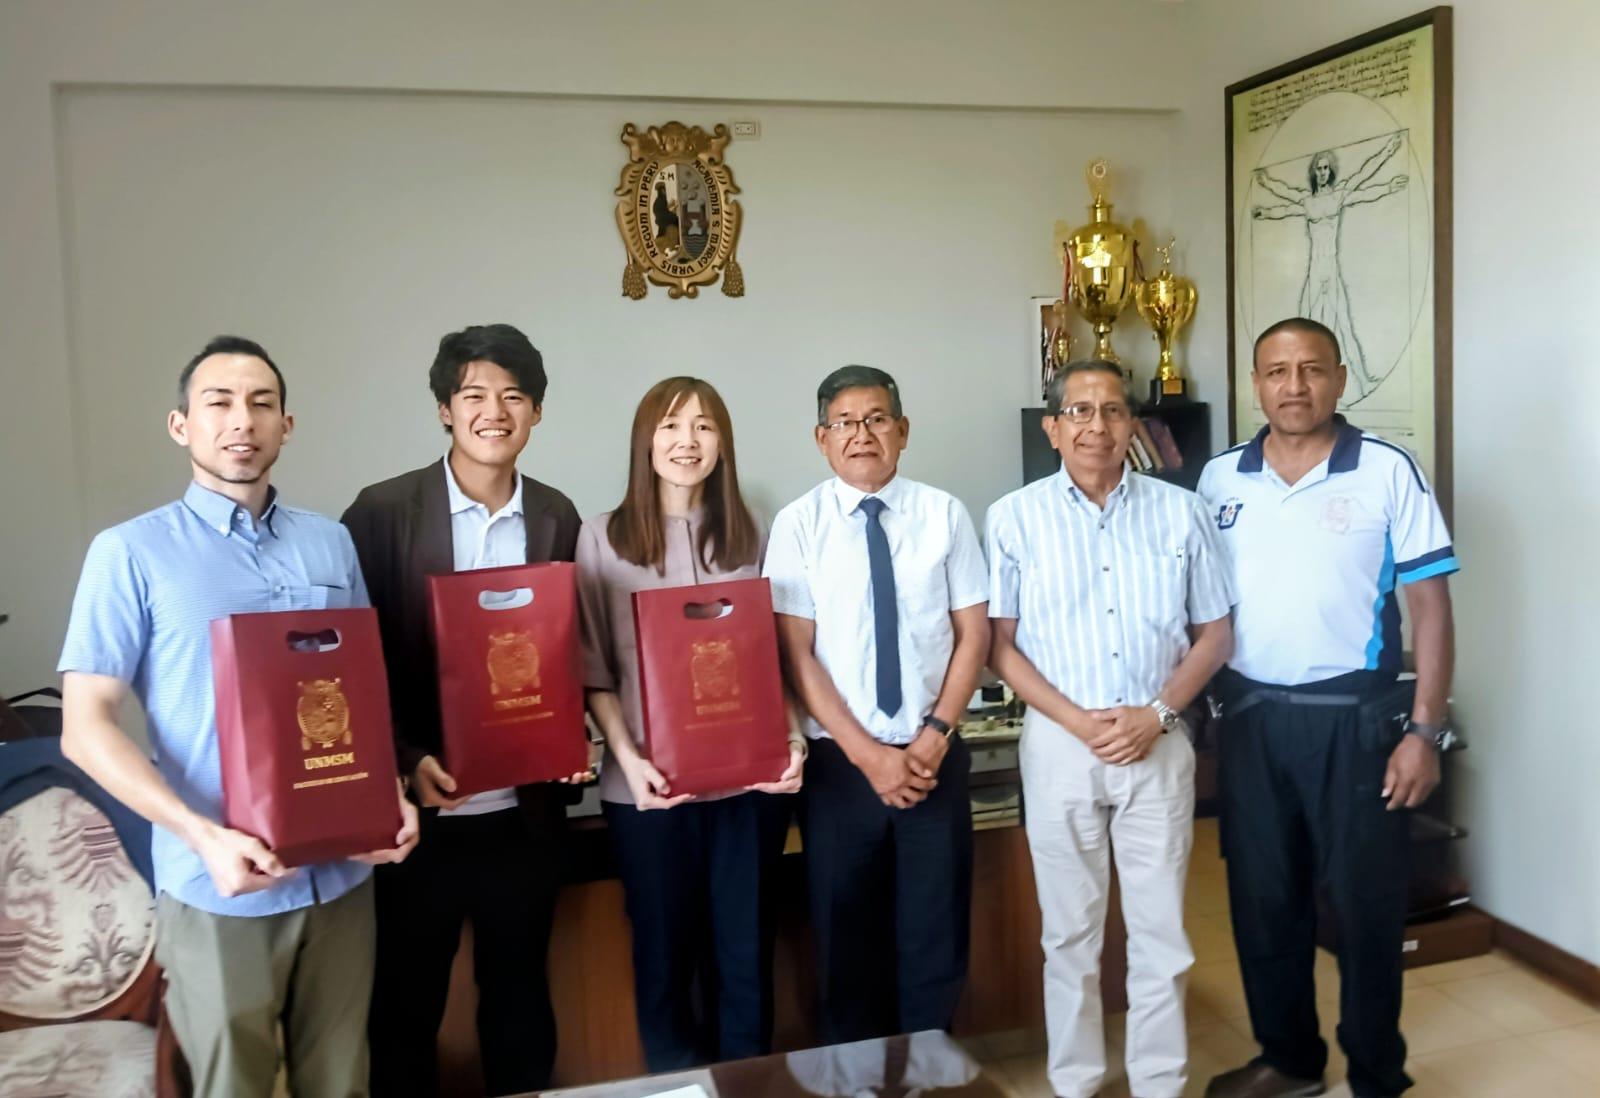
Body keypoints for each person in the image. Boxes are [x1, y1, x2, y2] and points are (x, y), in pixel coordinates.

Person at [58, 336, 418, 1097]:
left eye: (260, 403)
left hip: (343, 882)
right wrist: (203, 836)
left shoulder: (330, 542)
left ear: (288, 424)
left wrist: (390, 793)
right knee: (234, 1088)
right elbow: (84, 726)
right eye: (217, 402)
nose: (241, 421)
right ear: (181, 425)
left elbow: (355, 690)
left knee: (343, 1082)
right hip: (219, 884)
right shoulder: (129, 553)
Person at [1197, 317, 1458, 1098]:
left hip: (1358, 722)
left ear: (1341, 379)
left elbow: (1432, 610)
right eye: (1277, 371)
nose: (1295, 386)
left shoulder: (1385, 471)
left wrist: (1424, 731)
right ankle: (1290, 1059)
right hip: (1249, 721)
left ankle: (1378, 1073)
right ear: (1256, 384)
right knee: (1262, 899)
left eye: (1312, 370)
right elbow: (1200, 609)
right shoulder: (1219, 480)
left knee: (1364, 907)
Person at [341, 323, 583, 1097]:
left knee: (519, 1006)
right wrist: (408, 758)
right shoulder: (381, 514)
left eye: (514, 396)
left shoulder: (557, 516)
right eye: (474, 394)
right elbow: (354, 670)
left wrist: (571, 742)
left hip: (525, 818)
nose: (494, 411)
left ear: (536, 413)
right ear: (446, 408)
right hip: (421, 820)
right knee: (406, 1011)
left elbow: (567, 656)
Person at [986, 361, 1235, 1098]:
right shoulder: (1013, 517)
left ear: (1133, 426)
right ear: (1053, 428)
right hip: (1061, 746)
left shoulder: (1178, 511)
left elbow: (1215, 634)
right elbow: (998, 644)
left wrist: (1155, 715)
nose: (1098, 426)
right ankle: (1077, 1081)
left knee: (1161, 936)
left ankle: (1159, 1082)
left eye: (1113, 412)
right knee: (1069, 935)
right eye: (1081, 412)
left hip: (1156, 743)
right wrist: (1077, 721)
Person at [576, 376, 805, 1069]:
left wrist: (792, 740)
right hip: (648, 793)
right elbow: (593, 669)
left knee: (745, 957)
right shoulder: (601, 539)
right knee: (665, 960)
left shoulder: (753, 536)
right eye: (671, 426)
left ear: (723, 444)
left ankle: (747, 1087)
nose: (687, 442)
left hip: (747, 793)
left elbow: (777, 657)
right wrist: (629, 758)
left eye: (704, 427)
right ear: (646, 441)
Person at [763, 365, 990, 1043]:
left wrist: (933, 737)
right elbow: (795, 651)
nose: (862, 434)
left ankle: (926, 1072)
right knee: (845, 939)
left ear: (903, 429)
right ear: (821, 437)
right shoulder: (798, 524)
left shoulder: (944, 513)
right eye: (845, 422)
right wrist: (870, 758)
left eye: (877, 418)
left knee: (935, 935)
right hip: (841, 769)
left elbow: (973, 633)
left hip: (933, 758)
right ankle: (858, 1081)